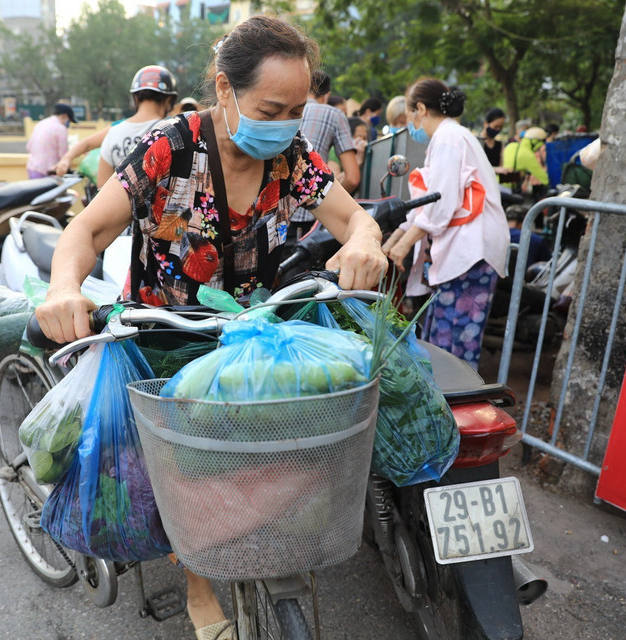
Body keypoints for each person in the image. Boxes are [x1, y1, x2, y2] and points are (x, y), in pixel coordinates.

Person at [34, 15, 387, 639]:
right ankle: (199, 584)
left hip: (254, 334)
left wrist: (365, 244)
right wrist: (64, 287)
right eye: (271, 108)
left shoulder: (293, 160)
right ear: (224, 90)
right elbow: (86, 231)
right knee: (184, 469)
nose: (284, 124)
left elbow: (357, 220)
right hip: (164, 335)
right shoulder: (169, 149)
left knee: (270, 450)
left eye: (297, 110)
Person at [382, 78, 508, 370]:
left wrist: (402, 246)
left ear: (421, 109)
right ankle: (445, 402)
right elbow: (425, 208)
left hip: (471, 251)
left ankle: (455, 405)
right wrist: (390, 242)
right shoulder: (450, 137)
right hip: (466, 251)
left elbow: (440, 203)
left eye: (411, 114)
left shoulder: (449, 138)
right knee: (441, 335)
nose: (411, 123)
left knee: (456, 341)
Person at [96, 65, 178, 187]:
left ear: (136, 98)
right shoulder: (174, 132)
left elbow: (101, 185)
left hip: (118, 205)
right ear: (169, 99)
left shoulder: (113, 133)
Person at [300, 70, 359, 193]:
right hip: (310, 208)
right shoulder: (334, 114)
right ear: (327, 95)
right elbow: (353, 178)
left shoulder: (283, 109)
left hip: (270, 209)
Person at [26, 102, 76, 179]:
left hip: (32, 169)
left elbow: (29, 147)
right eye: (69, 120)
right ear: (64, 116)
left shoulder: (41, 124)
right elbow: (63, 155)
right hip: (48, 172)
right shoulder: (61, 129)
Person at [502, 126, 549, 194]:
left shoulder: (511, 146)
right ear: (534, 141)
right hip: (509, 189)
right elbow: (543, 178)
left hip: (498, 184)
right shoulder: (528, 155)